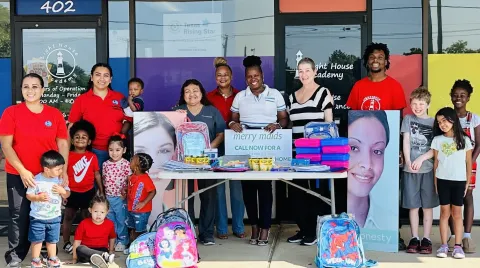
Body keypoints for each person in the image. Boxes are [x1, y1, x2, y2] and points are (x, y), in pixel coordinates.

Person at [0, 73, 69, 268]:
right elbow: (6, 146)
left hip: (48, 176)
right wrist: (22, 170)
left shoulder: (54, 114)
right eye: (26, 86)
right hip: (18, 173)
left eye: (35, 86)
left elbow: (63, 143)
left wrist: (64, 170)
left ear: (42, 90)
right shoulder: (11, 112)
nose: (30, 90)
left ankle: (45, 254)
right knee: (18, 215)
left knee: (47, 213)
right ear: (21, 89)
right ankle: (15, 257)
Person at [229, 55, 288, 246]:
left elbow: (284, 119)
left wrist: (278, 125)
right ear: (245, 78)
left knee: (264, 190)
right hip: (246, 148)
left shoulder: (275, 94)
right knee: (248, 190)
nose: (252, 79)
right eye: (249, 76)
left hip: (267, 148)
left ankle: (265, 228)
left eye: (256, 75)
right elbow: (233, 118)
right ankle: (253, 226)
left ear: (262, 75)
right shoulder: (240, 96)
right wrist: (232, 124)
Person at [285, 57, 334, 246]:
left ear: (315, 72)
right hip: (296, 153)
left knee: (315, 192)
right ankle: (303, 228)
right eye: (301, 70)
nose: (304, 74)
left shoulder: (323, 93)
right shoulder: (292, 97)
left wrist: (325, 148)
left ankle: (314, 231)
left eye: (307, 70)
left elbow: (329, 123)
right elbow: (290, 124)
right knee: (297, 193)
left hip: (317, 153)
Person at [174, 78, 226, 245]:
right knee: (186, 197)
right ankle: (188, 232)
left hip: (207, 162)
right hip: (184, 163)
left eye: (195, 90)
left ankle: (207, 234)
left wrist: (209, 148)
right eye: (187, 91)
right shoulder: (178, 111)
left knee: (208, 197)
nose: (192, 94)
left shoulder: (212, 111)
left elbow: (221, 133)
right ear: (183, 95)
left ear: (202, 92)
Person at [207, 57, 245, 240]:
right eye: (219, 75)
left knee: (237, 189)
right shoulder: (208, 97)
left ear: (231, 76)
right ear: (215, 78)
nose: (222, 78)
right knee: (219, 190)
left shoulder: (241, 95)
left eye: (226, 75)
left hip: (236, 146)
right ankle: (221, 228)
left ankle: (238, 226)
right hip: (216, 145)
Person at [68, 63, 129, 170]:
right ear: (91, 77)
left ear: (110, 79)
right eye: (98, 74)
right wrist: (67, 153)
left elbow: (130, 120)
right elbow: (72, 127)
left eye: (106, 75)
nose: (102, 78)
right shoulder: (81, 100)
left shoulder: (120, 98)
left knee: (116, 185)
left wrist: (122, 135)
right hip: (92, 151)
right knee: (94, 184)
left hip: (117, 152)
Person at [400, 88, 439, 254]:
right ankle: (414, 237)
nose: (417, 107)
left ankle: (427, 238)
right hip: (410, 170)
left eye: (421, 104)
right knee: (413, 206)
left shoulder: (434, 122)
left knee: (427, 206)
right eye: (414, 103)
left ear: (428, 104)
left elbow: (435, 147)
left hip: (428, 169)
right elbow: (406, 141)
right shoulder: (408, 119)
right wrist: (409, 161)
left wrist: (421, 159)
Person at [431, 107, 473, 259]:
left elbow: (468, 163)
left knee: (457, 214)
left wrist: (467, 183)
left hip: (459, 181)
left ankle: (457, 246)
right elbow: (436, 163)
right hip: (443, 181)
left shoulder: (465, 140)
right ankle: (443, 245)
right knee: (444, 213)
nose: (442, 124)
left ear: (453, 119)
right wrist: (435, 183)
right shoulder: (437, 140)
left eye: (445, 120)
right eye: (439, 122)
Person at [448, 79, 479, 253]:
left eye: (463, 95)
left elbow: (479, 144)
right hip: (449, 165)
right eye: (456, 95)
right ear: (451, 97)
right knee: (453, 199)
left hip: (468, 164)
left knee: (467, 196)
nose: (458, 98)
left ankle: (466, 236)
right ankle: (454, 236)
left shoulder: (474, 118)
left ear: (468, 98)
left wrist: (470, 162)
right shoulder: (447, 116)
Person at [62, 120, 102, 255]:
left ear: (89, 141)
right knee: (68, 217)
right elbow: (62, 174)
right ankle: (66, 242)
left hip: (88, 192)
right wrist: (63, 192)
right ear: (72, 140)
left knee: (86, 218)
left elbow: (97, 174)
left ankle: (85, 242)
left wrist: (101, 191)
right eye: (77, 137)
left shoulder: (92, 156)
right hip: (71, 192)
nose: (80, 139)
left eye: (84, 137)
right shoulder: (67, 156)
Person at [26, 150, 70, 268]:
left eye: (62, 168)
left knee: (52, 240)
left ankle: (52, 258)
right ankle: (35, 260)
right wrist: (37, 197)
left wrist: (63, 191)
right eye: (58, 169)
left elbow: (67, 194)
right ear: (46, 169)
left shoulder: (60, 180)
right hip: (38, 217)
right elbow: (28, 195)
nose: (61, 171)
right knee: (37, 240)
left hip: (55, 217)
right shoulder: (36, 180)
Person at [347, 110, 390, 228]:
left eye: (377, 151)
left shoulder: (389, 222)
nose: (367, 164)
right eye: (354, 148)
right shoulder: (327, 220)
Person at [133, 112, 176, 226]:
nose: (152, 162)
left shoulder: (176, 222)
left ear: (175, 153)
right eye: (140, 152)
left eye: (164, 150)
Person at [346, 42, 407, 111]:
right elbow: (353, 116)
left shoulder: (395, 86)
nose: (375, 60)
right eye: (372, 57)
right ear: (367, 62)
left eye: (380, 57)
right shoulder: (358, 86)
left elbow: (397, 117)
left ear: (386, 62)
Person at [65, 195, 117, 267]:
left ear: (107, 212)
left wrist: (111, 251)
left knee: (104, 251)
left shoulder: (110, 224)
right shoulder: (83, 223)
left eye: (102, 212)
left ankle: (101, 257)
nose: (98, 214)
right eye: (95, 211)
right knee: (80, 249)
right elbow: (77, 242)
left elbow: (112, 238)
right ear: (90, 210)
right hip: (86, 249)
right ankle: (103, 257)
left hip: (101, 249)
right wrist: (74, 258)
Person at [103, 135, 130, 252]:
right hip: (108, 197)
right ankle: (112, 240)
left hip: (120, 198)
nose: (114, 153)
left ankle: (123, 240)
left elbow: (130, 181)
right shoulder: (105, 164)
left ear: (124, 150)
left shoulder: (126, 164)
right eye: (111, 150)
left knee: (121, 220)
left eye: (118, 150)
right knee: (110, 220)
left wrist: (126, 192)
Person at [127, 153, 157, 241]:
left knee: (140, 231)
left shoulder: (145, 179)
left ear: (137, 166)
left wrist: (143, 203)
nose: (130, 160)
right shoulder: (133, 176)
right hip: (132, 209)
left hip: (142, 212)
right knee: (132, 228)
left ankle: (141, 247)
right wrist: (125, 191)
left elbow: (153, 191)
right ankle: (133, 247)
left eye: (133, 159)